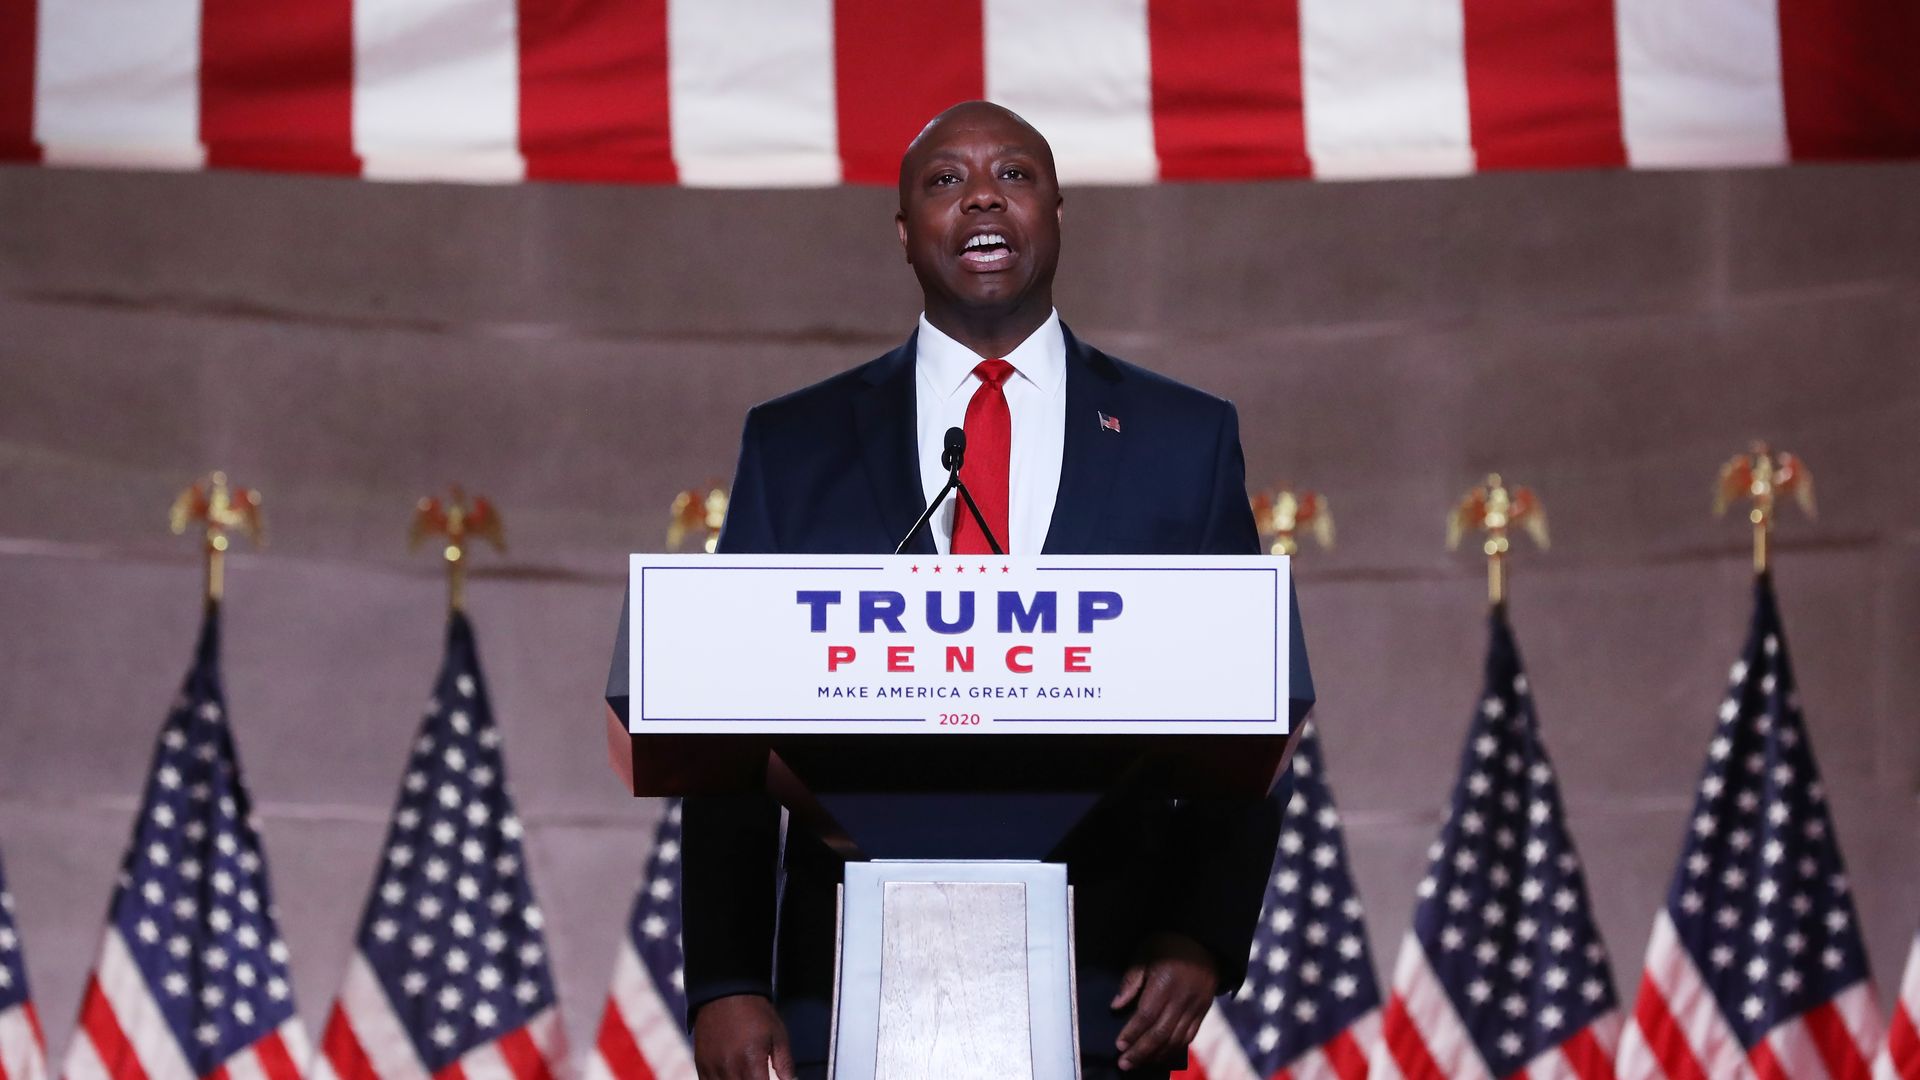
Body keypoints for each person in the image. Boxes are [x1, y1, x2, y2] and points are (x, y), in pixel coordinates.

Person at [680, 102, 1288, 1080]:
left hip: (1106, 986)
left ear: (1055, 208)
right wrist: (725, 977)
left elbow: (1253, 705)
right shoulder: (794, 445)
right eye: (943, 181)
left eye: (1011, 174)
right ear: (904, 234)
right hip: (836, 987)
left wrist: (1199, 936)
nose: (979, 199)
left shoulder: (1186, 441)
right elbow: (715, 723)